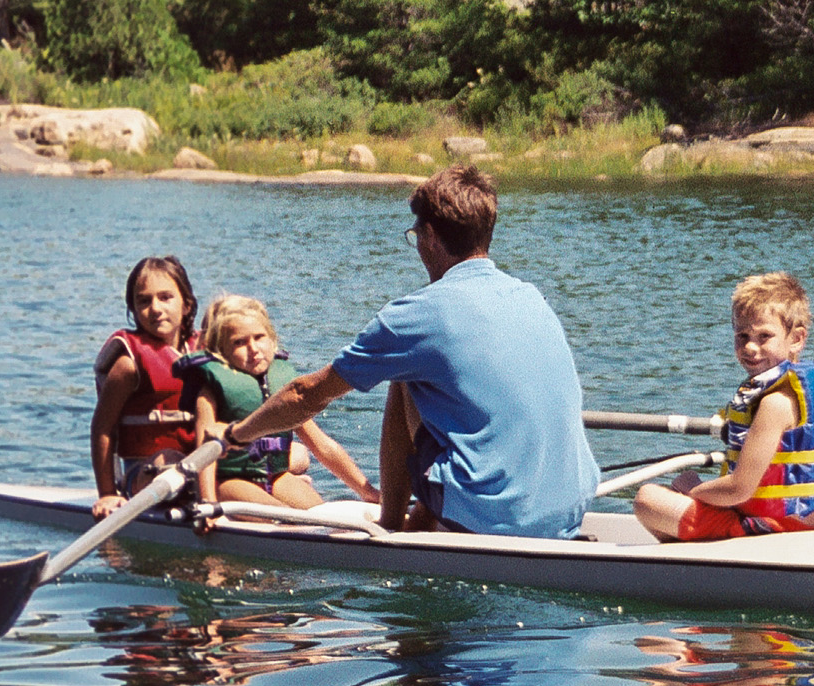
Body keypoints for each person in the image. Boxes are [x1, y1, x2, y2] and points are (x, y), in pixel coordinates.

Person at [209, 165, 599, 538]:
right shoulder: (533, 298)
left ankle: (392, 526)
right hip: (571, 509)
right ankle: (425, 515)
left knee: (404, 373)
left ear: (429, 236)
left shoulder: (416, 315)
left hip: (495, 517)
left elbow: (305, 394)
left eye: (414, 236)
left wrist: (238, 433)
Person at [632, 273, 814, 541]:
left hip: (778, 530)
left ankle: (704, 561)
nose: (750, 347)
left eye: (764, 336)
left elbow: (739, 490)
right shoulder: (787, 391)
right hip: (806, 522)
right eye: (742, 335)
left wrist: (694, 488)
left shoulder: (775, 402)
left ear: (797, 338)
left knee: (647, 498)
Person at [182, 295, 377, 523]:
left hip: (276, 476)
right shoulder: (210, 391)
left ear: (272, 340)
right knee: (288, 521)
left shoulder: (282, 391)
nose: (253, 349)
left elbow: (322, 445)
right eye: (239, 342)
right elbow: (206, 453)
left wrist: (368, 491)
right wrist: (207, 505)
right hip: (230, 483)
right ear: (220, 350)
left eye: (259, 337)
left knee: (325, 518)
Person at [90, 256, 200, 519]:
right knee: (171, 459)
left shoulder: (206, 350)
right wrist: (106, 493)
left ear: (186, 305)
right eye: (144, 300)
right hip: (146, 473)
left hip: (201, 464)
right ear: (134, 309)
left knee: (294, 456)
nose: (155, 308)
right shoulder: (128, 365)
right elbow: (102, 429)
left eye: (165, 297)